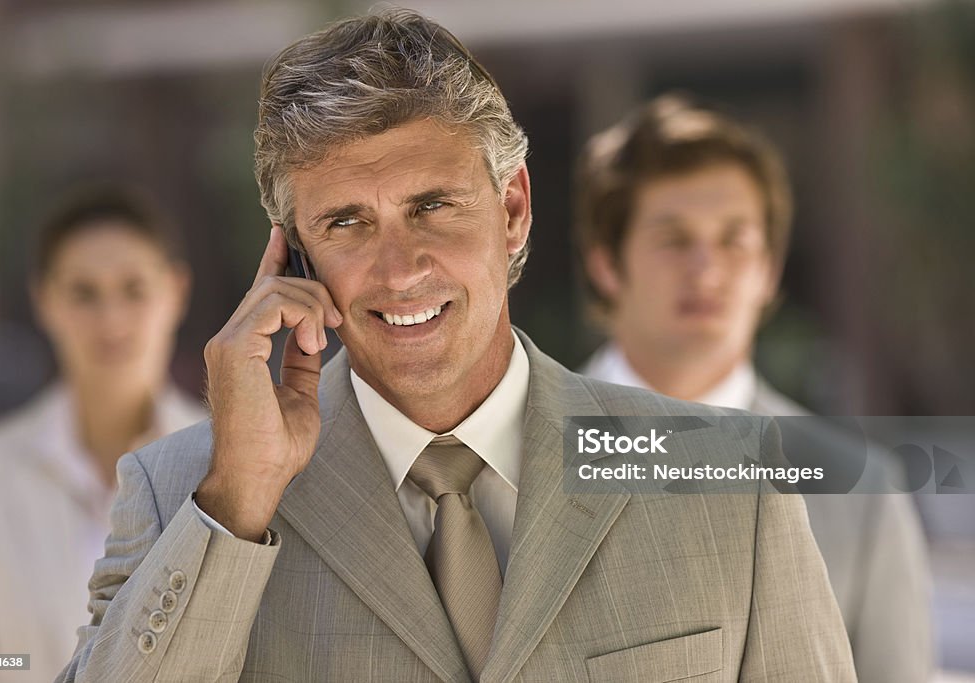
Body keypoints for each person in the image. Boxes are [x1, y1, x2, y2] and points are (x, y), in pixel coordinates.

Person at [57, 12, 855, 682]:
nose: (399, 269)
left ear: (513, 209)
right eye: (346, 223)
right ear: (293, 258)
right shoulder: (181, 499)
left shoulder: (730, 486)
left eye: (433, 206)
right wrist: (236, 503)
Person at [575, 94, 931, 682]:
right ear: (607, 265)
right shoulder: (505, 455)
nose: (707, 270)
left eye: (733, 239)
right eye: (673, 239)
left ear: (769, 269)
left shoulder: (862, 491)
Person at [0, 186, 205, 682]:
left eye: (133, 289)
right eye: (83, 293)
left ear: (176, 292)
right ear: (44, 300)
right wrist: (21, 667)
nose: (110, 320)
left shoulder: (230, 463)